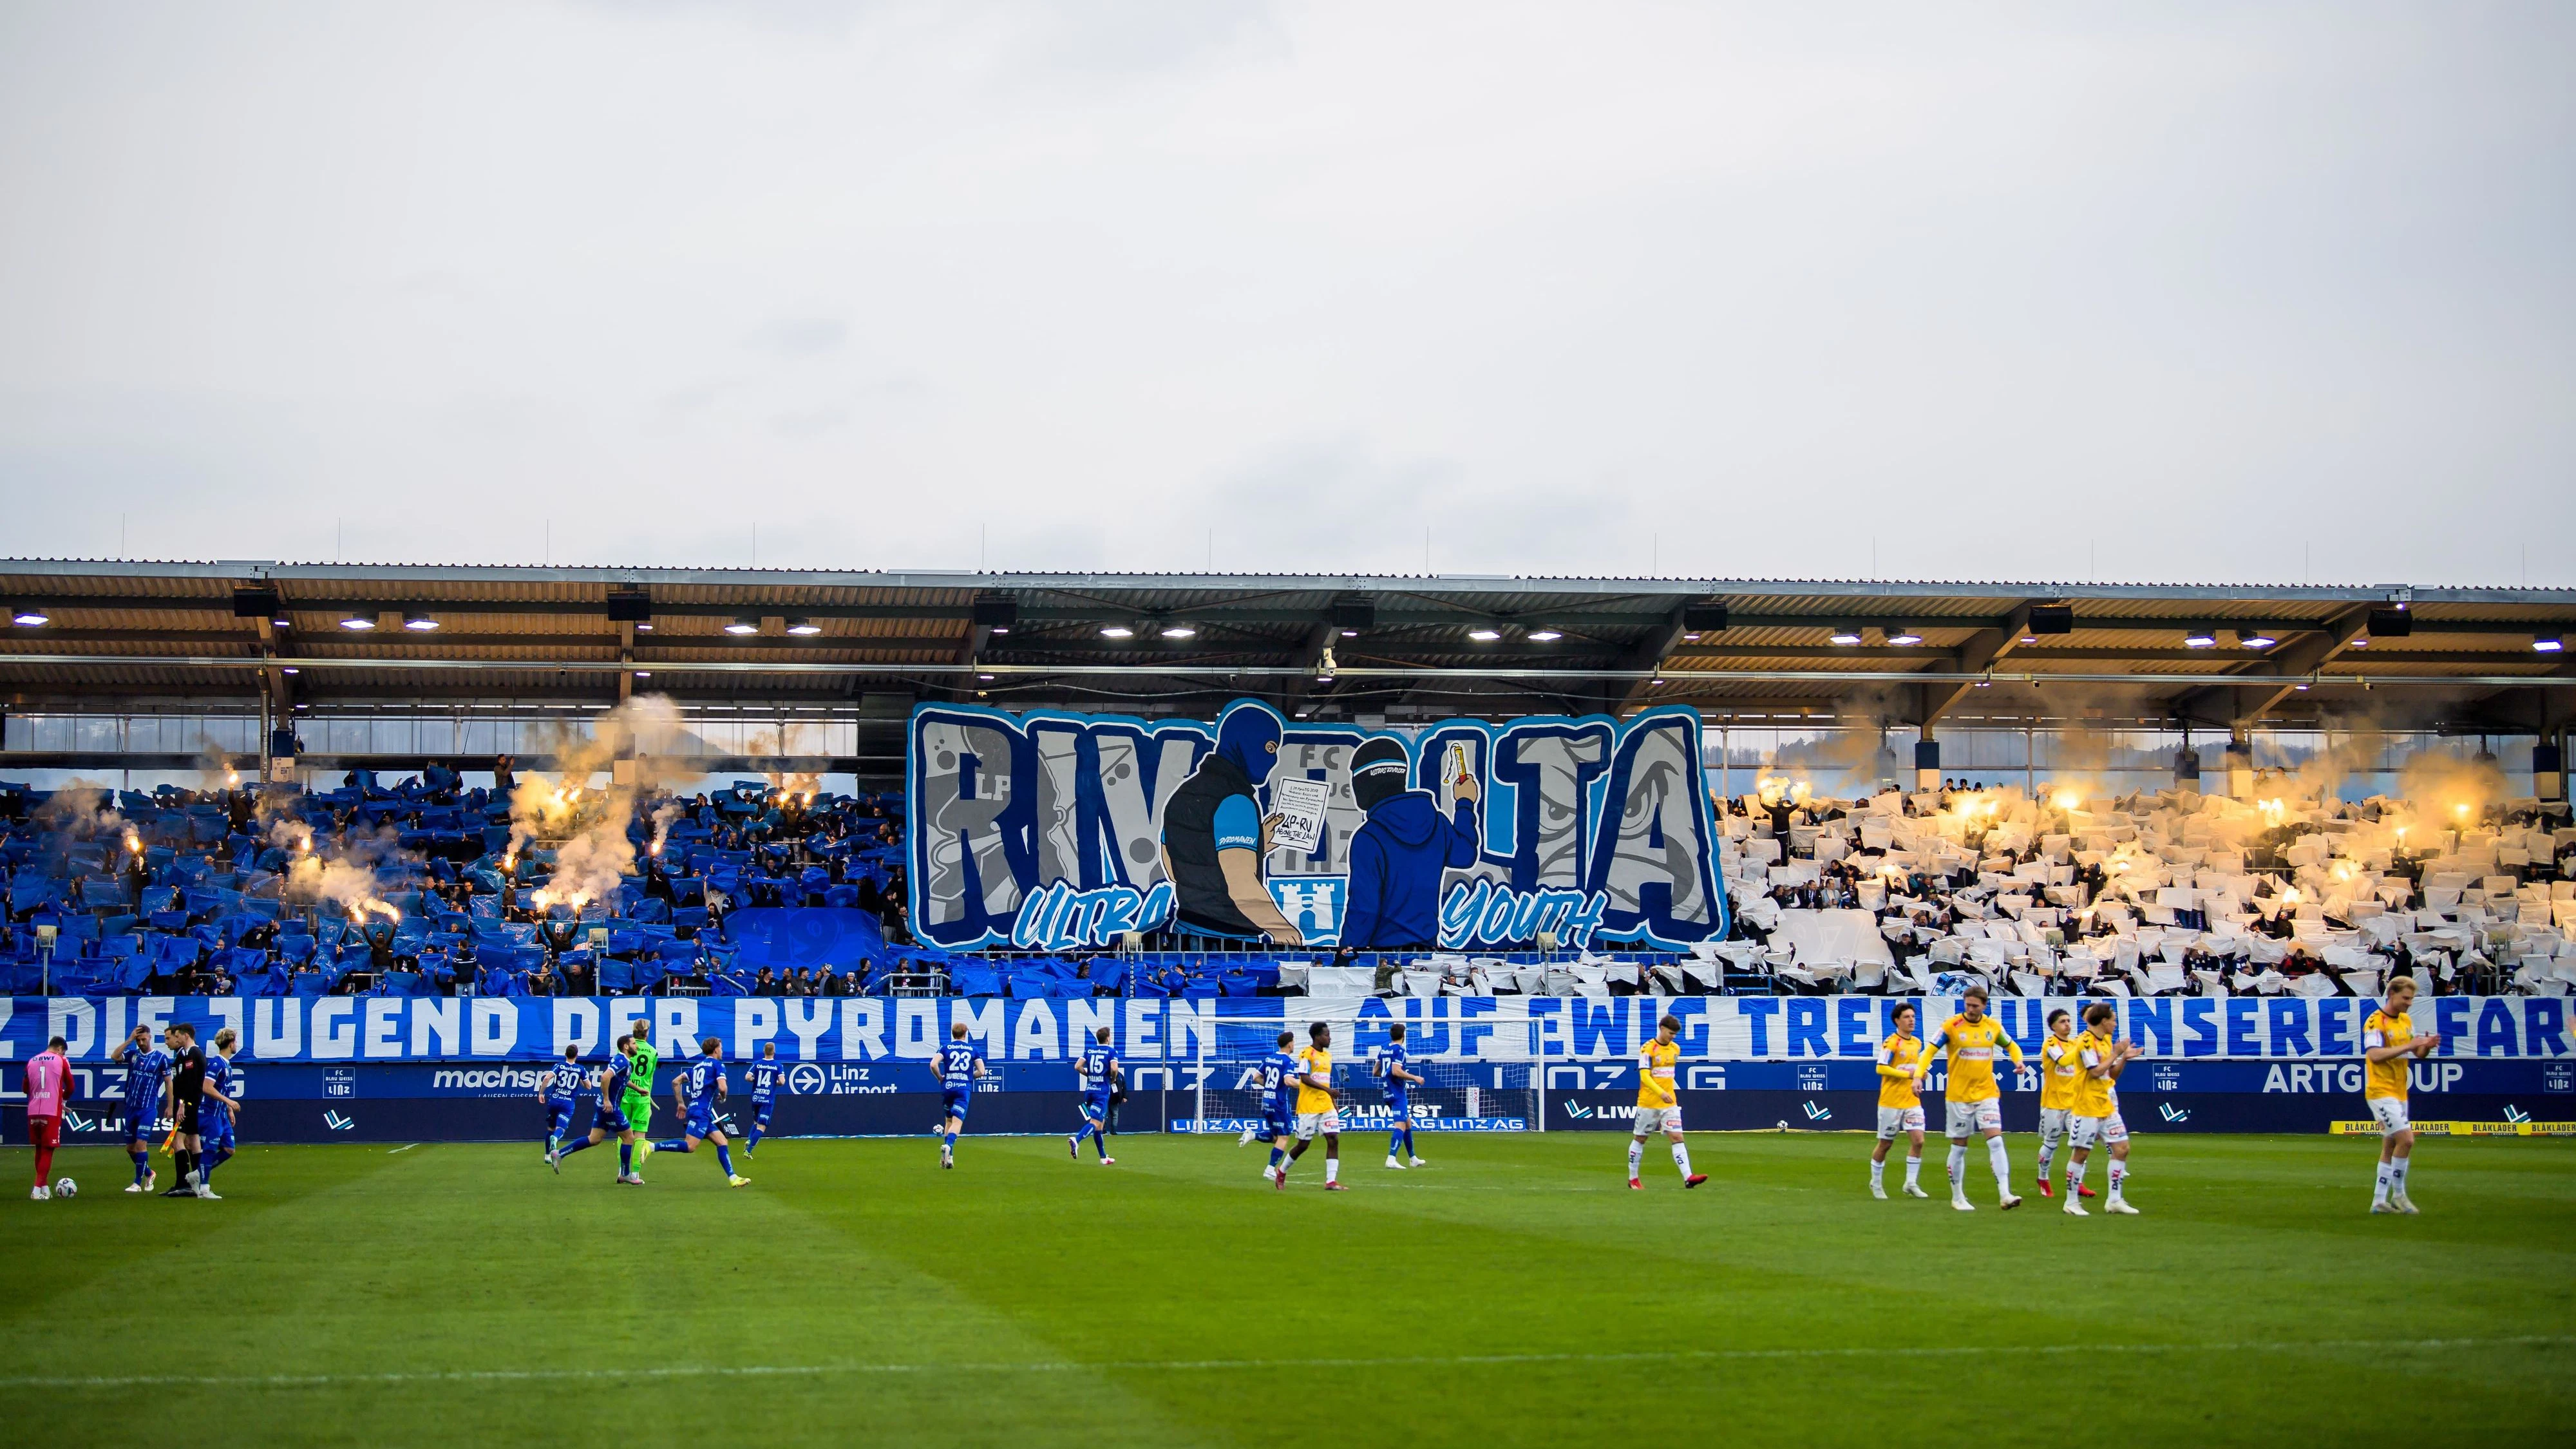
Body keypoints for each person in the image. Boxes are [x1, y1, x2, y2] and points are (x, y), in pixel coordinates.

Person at [1159, 700, 1305, 945]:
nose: (1274, 760)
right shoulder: (1237, 801)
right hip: (1229, 941)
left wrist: (1255, 846)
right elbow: (1242, 887)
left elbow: (1174, 869)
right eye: (1270, 748)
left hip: (1185, 933)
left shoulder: (1182, 794)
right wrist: (1283, 930)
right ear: (1246, 743)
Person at [1340, 738, 1480, 950]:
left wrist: (1347, 951)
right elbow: (1466, 855)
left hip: (1382, 955)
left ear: (1363, 782)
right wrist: (1465, 803)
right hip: (1427, 949)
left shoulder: (1368, 837)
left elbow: (1364, 909)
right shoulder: (1437, 822)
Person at [1924, 985, 2025, 1211]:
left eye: (1975, 1006)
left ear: (1984, 1006)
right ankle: (1958, 1197)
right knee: (1960, 1146)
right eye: (1967, 1005)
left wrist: (2018, 1061)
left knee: (1996, 1140)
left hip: (1986, 1093)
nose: (1970, 1009)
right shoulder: (1951, 1026)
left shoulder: (1993, 1027)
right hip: (1958, 1096)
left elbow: (2012, 1046)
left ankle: (2005, 1194)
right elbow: (1929, 1050)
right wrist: (1919, 1074)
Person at [2363, 976, 2440, 1214]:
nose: (2409, 1003)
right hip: (2380, 1091)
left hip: (2399, 1091)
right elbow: (2374, 1055)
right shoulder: (2376, 1022)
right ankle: (2399, 1195)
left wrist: (2425, 1046)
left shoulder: (2405, 1020)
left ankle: (2378, 1201)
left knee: (2390, 1145)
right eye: (2406, 998)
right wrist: (2409, 1046)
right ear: (2392, 994)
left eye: (2411, 999)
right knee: (2407, 1140)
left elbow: (2418, 1054)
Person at [2063, 1002, 2138, 1216]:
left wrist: (2124, 1058)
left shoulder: (2105, 1040)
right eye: (2113, 1020)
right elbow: (2095, 1072)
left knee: (2122, 1148)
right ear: (2104, 1021)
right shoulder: (2085, 1042)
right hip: (2087, 1106)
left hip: (2106, 1104)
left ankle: (2114, 1200)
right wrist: (2116, 1053)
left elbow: (2110, 1074)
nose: (2115, 1024)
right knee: (2081, 1153)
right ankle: (2071, 1202)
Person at [651, 1037, 750, 1186]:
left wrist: (681, 1103)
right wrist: (723, 1097)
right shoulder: (718, 1065)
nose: (722, 1051)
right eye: (721, 1048)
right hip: (701, 1112)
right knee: (690, 1146)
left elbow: (675, 1082)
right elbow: (723, 1087)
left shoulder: (697, 1067)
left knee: (722, 1142)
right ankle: (651, 1147)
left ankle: (733, 1178)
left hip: (697, 1110)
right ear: (716, 1050)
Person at [551, 1036, 645, 1183]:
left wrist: (638, 1089)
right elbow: (605, 1077)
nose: (637, 1046)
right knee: (629, 1138)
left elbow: (622, 1080)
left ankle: (559, 1154)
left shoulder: (624, 1062)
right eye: (634, 1043)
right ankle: (625, 1174)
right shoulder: (621, 1061)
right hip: (610, 1107)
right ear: (626, 1047)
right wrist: (607, 1100)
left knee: (594, 1139)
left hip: (603, 1106)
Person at [1629, 1014, 1706, 1190]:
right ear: (1662, 1029)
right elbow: (1644, 1077)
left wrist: (1666, 1094)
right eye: (1671, 1033)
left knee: (1677, 1137)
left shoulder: (1675, 1049)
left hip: (1670, 1103)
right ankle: (1633, 1179)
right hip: (1649, 1102)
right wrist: (1661, 1093)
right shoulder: (1648, 1049)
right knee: (1640, 1139)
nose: (1673, 1037)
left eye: (1675, 1034)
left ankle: (1689, 1177)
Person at [160, 1022, 229, 1199]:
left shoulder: (194, 1054)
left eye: (176, 1036)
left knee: (179, 1141)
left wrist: (183, 1103)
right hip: (189, 1103)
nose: (175, 1040)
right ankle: (196, 1183)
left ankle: (184, 1183)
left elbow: (192, 1084)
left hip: (190, 1104)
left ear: (186, 1036)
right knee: (193, 1141)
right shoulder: (185, 1054)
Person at [1868, 1003, 1929, 1200]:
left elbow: (1916, 1068)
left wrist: (1921, 1074)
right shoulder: (1891, 1043)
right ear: (1897, 1021)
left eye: (1913, 1017)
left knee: (1919, 1141)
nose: (1911, 1020)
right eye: (1907, 1017)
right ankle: (1876, 1183)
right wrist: (1907, 1074)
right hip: (1891, 1101)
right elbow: (1881, 1068)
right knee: (1885, 1144)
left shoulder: (1917, 1043)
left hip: (1912, 1101)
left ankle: (1911, 1183)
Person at [1282, 1021, 1345, 1190]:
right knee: (1303, 1145)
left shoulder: (1328, 1056)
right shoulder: (1306, 1054)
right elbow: (1304, 1077)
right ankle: (1282, 1171)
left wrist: (1332, 1101)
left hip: (1326, 1105)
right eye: (1327, 1035)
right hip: (1309, 1105)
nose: (1330, 1038)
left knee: (1333, 1139)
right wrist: (1329, 1090)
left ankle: (1331, 1181)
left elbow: (1326, 1082)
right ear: (1317, 1037)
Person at [2032, 1009, 2087, 1200]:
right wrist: (2080, 1046)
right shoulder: (2050, 1043)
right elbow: (2063, 1061)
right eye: (2063, 1021)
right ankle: (2043, 1178)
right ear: (2053, 1026)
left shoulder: (2074, 1044)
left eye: (2069, 1021)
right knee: (2051, 1144)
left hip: (2074, 1103)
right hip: (2053, 1102)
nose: (2067, 1025)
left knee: (2081, 1143)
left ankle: (2078, 1182)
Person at [113, 1023, 171, 1193]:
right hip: (131, 1107)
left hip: (148, 1107)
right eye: (138, 1040)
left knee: (140, 1144)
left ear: (150, 1037)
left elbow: (169, 1082)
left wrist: (170, 1105)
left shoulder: (161, 1058)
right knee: (130, 1148)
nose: (141, 1043)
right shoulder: (133, 1055)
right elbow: (115, 1056)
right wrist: (129, 1040)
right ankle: (150, 1173)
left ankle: (137, 1183)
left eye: (143, 1039)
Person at [1252, 1029, 1300, 1187]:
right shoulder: (1288, 1062)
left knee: (1276, 1136)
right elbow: (1289, 1081)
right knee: (1284, 1137)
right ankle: (1270, 1169)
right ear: (1289, 1044)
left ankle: (1253, 1135)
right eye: (1293, 1042)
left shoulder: (1270, 1058)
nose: (1294, 1044)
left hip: (1266, 1101)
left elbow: (1256, 1077)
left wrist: (1270, 1087)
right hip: (1279, 1104)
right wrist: (1307, 1084)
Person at [24, 1034, 68, 1200]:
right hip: (51, 1111)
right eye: (63, 1052)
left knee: (39, 1148)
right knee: (48, 1149)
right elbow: (71, 1086)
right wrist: (62, 1099)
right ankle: (36, 1190)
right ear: (60, 1049)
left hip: (33, 1110)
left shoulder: (32, 1061)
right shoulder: (61, 1060)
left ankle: (44, 1188)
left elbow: (25, 1088)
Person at [936, 1021, 986, 1169]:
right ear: (965, 1034)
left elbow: (933, 1064)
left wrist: (940, 1077)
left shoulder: (945, 1048)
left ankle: (948, 1158)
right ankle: (949, 1146)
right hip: (963, 1089)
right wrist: (969, 1077)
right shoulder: (972, 1050)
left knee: (948, 1121)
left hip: (948, 1088)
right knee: (957, 1123)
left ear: (953, 1034)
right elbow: (982, 1071)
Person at [1069, 1027, 1120, 1166]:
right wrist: (1113, 1079)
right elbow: (1114, 1068)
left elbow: (1077, 1066)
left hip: (1090, 1090)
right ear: (1108, 1038)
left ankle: (1103, 1157)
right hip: (1101, 1092)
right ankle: (1076, 1140)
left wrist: (1089, 1075)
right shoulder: (1111, 1052)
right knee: (1096, 1122)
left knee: (1100, 1123)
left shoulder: (1089, 1051)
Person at [1378, 1021, 1426, 1170]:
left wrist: (1387, 1076)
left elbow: (1376, 1071)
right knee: (1400, 1125)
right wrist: (1415, 1078)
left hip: (1387, 1090)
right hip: (1397, 1092)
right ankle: (1391, 1158)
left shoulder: (1384, 1049)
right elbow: (1396, 1071)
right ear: (1403, 1036)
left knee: (1407, 1122)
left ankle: (1413, 1158)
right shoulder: (1400, 1050)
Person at [199, 1027, 241, 1192]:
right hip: (210, 1113)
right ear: (231, 1044)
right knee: (209, 1149)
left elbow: (223, 1089)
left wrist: (228, 1109)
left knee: (229, 1149)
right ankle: (204, 1188)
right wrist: (229, 1102)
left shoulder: (226, 1064)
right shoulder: (216, 1064)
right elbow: (207, 1087)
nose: (236, 1045)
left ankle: (197, 1174)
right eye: (235, 1042)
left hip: (221, 1113)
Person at [536, 1046, 585, 1162]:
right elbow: (588, 1086)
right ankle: (556, 1138)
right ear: (577, 1055)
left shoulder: (559, 1066)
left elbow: (547, 1079)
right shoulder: (581, 1069)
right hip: (568, 1103)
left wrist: (541, 1093)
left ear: (565, 1054)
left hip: (554, 1101)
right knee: (561, 1129)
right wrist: (579, 1078)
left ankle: (547, 1156)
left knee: (551, 1128)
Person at [623, 1025, 660, 1175]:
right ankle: (635, 1173)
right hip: (642, 1098)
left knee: (623, 1135)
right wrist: (649, 1098)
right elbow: (650, 1078)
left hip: (625, 1096)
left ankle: (622, 1172)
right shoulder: (653, 1052)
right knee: (640, 1136)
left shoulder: (626, 1048)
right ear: (647, 1033)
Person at [741, 1041, 784, 1157]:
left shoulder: (757, 1064)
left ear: (764, 1051)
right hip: (767, 1099)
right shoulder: (778, 1065)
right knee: (762, 1127)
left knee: (756, 1122)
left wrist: (755, 1080)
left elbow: (747, 1077)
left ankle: (750, 1139)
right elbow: (782, 1082)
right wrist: (774, 1082)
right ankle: (748, 1150)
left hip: (756, 1097)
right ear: (774, 1052)